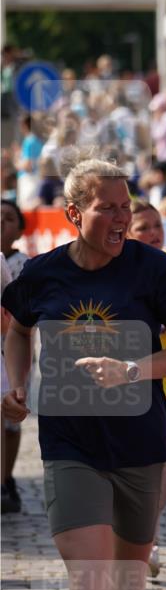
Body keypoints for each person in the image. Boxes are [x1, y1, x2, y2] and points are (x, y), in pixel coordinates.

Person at [1, 159, 166, 590]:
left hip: (141, 443)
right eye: (105, 207)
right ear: (73, 212)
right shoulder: (42, 274)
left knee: (128, 580)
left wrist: (132, 369)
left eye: (125, 207)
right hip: (70, 446)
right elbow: (19, 330)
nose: (120, 217)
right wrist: (17, 382)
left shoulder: (155, 270)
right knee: (88, 584)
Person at [127, 199, 166, 577]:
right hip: (117, 384)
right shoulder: (118, 270)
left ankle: (147, 538)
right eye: (143, 227)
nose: (153, 234)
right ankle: (132, 538)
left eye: (156, 225)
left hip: (161, 385)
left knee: (155, 467)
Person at [1, 200, 29, 513]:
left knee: (11, 421)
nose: (1, 223)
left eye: (9, 219)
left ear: (20, 230)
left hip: (11, 351)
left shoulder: (24, 264)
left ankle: (7, 478)